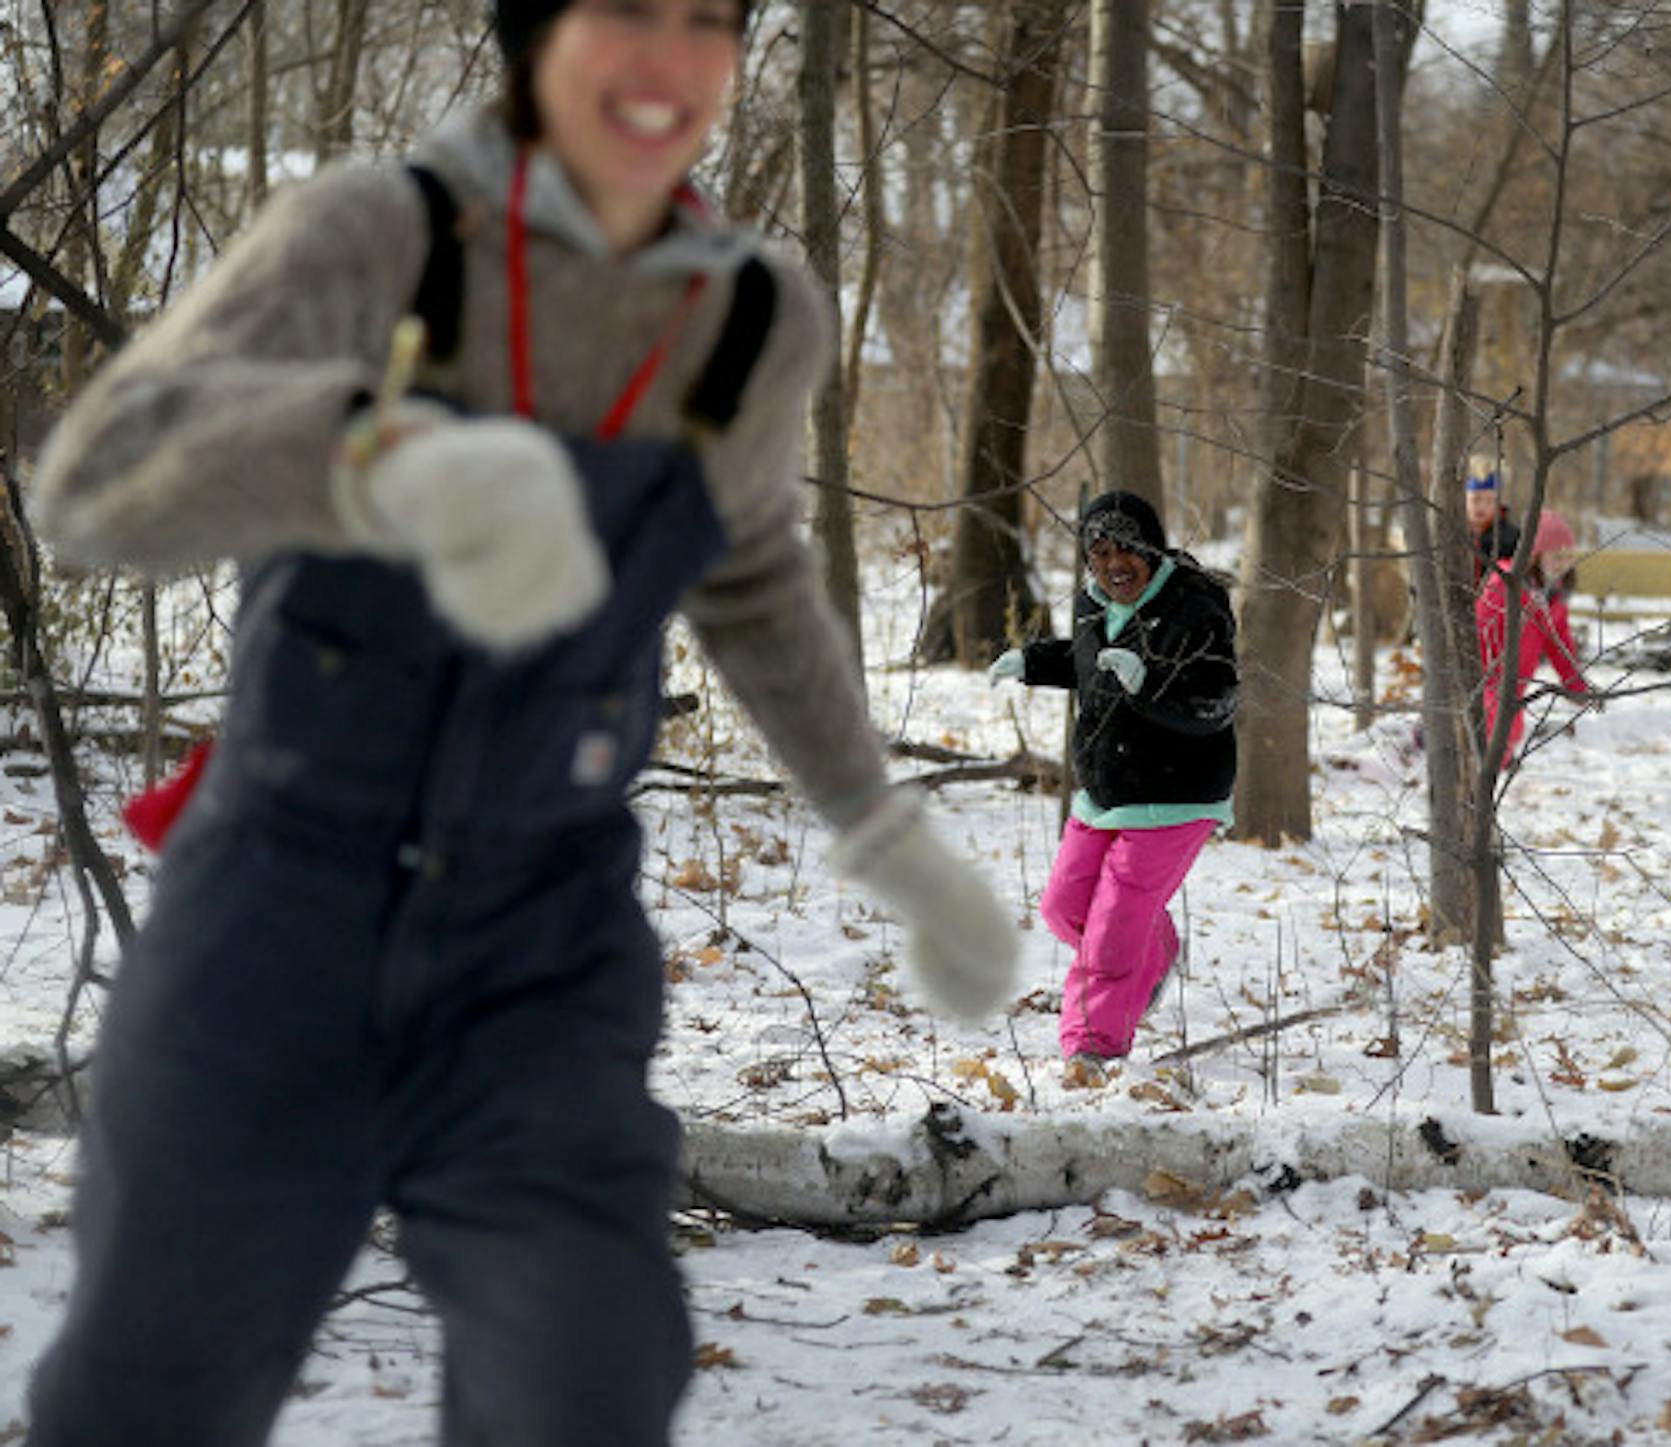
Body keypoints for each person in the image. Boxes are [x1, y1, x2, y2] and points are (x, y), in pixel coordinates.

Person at [25, 2, 1018, 1442]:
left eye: (706, 20)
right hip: (271, 922)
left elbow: (747, 573)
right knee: (149, 1383)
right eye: (622, 9)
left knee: (590, 1373)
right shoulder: (378, 234)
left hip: (538, 943)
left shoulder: (747, 315)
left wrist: (882, 824)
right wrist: (375, 458)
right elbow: (91, 482)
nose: (665, 60)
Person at [988, 492, 1237, 1088]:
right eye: (1099, 552)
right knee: (1064, 907)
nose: (1113, 563)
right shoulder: (1094, 606)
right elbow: (1085, 661)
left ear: (1150, 549)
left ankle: (1093, 1048)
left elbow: (1217, 701)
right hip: (1105, 787)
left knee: (1113, 927)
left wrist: (1149, 683)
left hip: (1176, 795)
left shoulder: (1194, 607)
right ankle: (1152, 953)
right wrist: (1031, 661)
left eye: (1126, 549)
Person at [1476, 508, 1592, 765]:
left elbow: (1560, 645)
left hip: (1516, 683)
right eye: (1555, 556)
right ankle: (1488, 764)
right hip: (1487, 674)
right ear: (1535, 555)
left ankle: (1496, 764)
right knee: (1496, 725)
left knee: (1512, 729)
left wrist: (1577, 686)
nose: (1563, 562)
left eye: (1568, 556)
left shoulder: (1554, 595)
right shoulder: (1506, 584)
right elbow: (1481, 623)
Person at [1464, 457, 1521, 570]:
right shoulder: (1451, 532)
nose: (1482, 507)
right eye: (1476, 499)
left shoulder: (1511, 538)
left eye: (1490, 501)